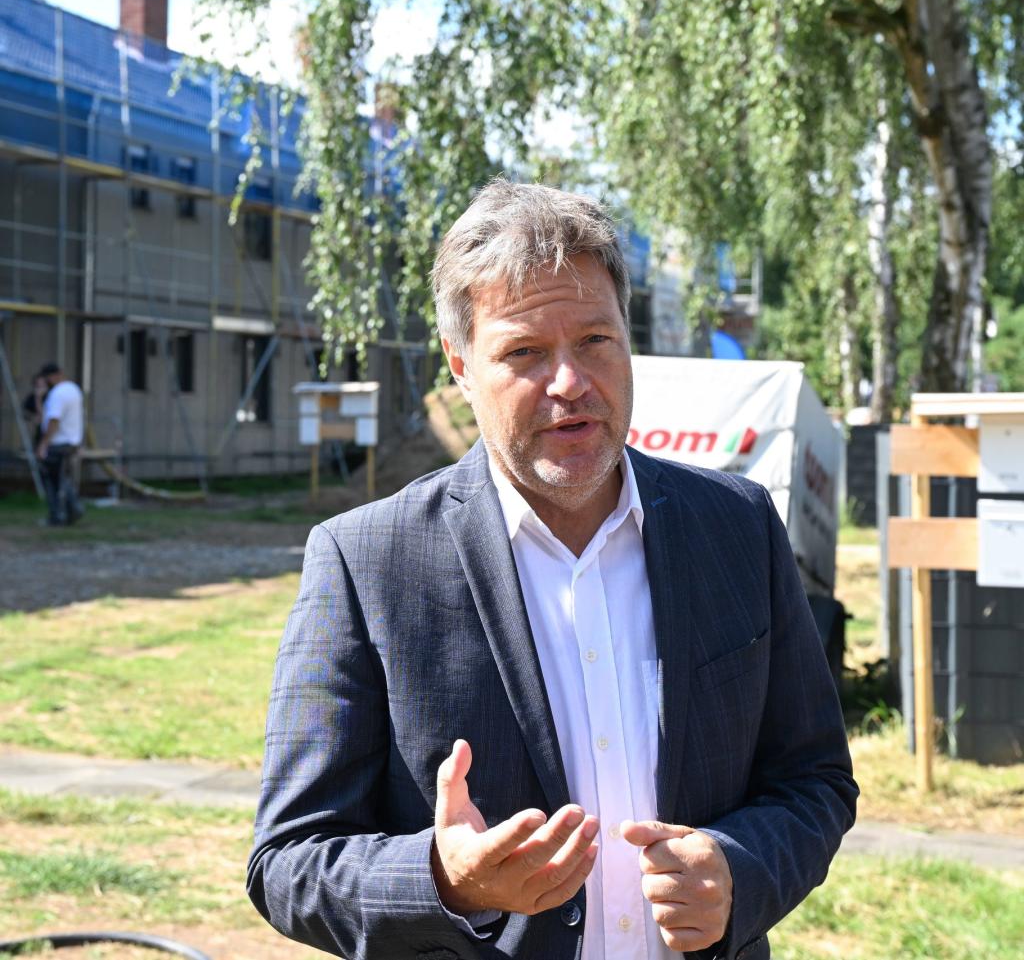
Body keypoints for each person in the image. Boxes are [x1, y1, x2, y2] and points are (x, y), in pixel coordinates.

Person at [248, 181, 857, 960]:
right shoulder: (367, 562)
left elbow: (814, 778)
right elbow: (289, 861)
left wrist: (742, 870)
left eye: (595, 341)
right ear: (461, 364)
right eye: (526, 352)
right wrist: (444, 879)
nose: (570, 382)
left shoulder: (738, 528)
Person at [35, 362, 85, 526]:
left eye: (47, 378)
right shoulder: (74, 389)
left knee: (52, 481)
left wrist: (44, 444)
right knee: (63, 480)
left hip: (58, 442)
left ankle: (58, 515)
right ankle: (73, 510)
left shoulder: (57, 394)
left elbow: (53, 420)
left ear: (53, 376)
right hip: (72, 441)